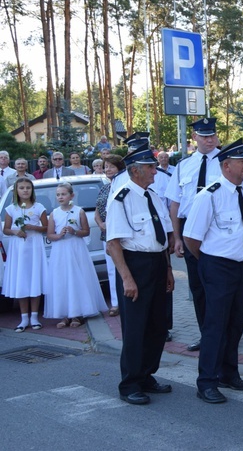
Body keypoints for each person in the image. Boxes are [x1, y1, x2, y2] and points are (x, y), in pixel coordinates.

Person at [183, 139, 243, 404]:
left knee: (235, 324)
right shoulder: (209, 195)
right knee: (215, 325)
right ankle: (207, 381)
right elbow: (191, 238)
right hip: (218, 267)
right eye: (242, 162)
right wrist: (209, 262)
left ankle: (229, 373)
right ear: (226, 166)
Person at [106, 144, 174, 405]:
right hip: (135, 265)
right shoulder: (121, 198)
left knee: (158, 325)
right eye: (150, 167)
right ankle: (130, 383)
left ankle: (147, 375)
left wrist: (167, 269)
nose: (155, 170)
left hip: (157, 263)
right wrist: (127, 278)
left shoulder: (153, 195)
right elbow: (113, 244)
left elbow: (163, 238)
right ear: (135, 171)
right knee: (135, 327)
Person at [166, 118, 222, 352]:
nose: (209, 140)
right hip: (190, 230)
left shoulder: (226, 161)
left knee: (220, 285)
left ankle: (224, 332)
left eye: (212, 135)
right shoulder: (183, 166)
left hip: (218, 228)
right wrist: (177, 237)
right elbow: (175, 204)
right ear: (194, 139)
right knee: (198, 286)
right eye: (204, 136)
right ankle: (205, 334)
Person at [44, 182, 108, 328]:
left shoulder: (79, 212)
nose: (61, 197)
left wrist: (74, 232)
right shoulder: (54, 213)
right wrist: (59, 235)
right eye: (58, 194)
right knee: (62, 279)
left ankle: (77, 313)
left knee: (77, 278)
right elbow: (50, 234)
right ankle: (65, 314)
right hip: (60, 250)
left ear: (71, 196)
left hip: (75, 248)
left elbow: (86, 231)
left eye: (64, 194)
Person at [1, 178, 48, 332]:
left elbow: (45, 227)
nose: (25, 190)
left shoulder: (39, 207)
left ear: (32, 190)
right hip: (19, 248)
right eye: (22, 188)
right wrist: (16, 231)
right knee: (22, 280)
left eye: (28, 187)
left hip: (34, 246)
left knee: (34, 279)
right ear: (17, 190)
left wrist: (32, 227)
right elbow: (6, 229)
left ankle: (34, 317)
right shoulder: (11, 209)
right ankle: (24, 318)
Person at [95, 154, 126, 317]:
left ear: (120, 168)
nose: (107, 169)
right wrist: (100, 224)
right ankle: (115, 303)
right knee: (111, 269)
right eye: (105, 167)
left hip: (121, 235)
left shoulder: (124, 186)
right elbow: (97, 210)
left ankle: (124, 300)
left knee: (122, 267)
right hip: (106, 234)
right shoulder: (104, 188)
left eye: (111, 167)